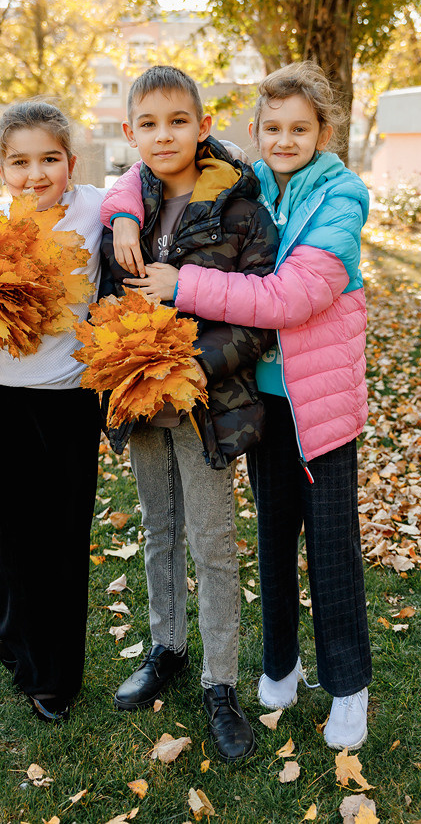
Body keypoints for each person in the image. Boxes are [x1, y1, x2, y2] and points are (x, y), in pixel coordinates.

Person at [103, 61, 372, 751]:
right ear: (253, 131)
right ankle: (279, 664)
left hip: (318, 403)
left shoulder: (339, 198)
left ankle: (348, 688)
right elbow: (141, 172)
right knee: (273, 537)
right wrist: (127, 211)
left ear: (324, 132)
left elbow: (288, 300)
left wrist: (179, 285)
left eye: (300, 128)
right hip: (260, 400)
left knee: (331, 549)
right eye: (273, 127)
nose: (285, 139)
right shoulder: (250, 180)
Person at [98, 65, 278, 762]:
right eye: (148, 123)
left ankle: (220, 683)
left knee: (211, 540)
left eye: (178, 121)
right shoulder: (126, 208)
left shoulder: (239, 208)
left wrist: (197, 364)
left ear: (203, 127)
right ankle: (166, 646)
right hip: (143, 404)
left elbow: (259, 316)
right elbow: (105, 303)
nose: (163, 134)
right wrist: (122, 351)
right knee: (159, 528)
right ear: (130, 134)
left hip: (207, 404)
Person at [0, 98, 104, 723]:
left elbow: (185, 162)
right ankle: (14, 643)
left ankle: (55, 677)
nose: (35, 174)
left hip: (67, 405)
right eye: (20, 162)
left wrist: (124, 224)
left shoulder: (100, 209)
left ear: (71, 163)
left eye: (49, 160)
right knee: (1, 537)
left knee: (60, 540)